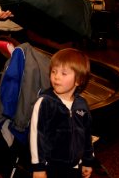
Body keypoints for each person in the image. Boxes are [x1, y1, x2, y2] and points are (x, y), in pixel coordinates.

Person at [30, 48, 95, 178]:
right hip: (51, 168)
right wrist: (38, 168)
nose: (56, 76)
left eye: (64, 73)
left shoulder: (81, 105)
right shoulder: (45, 103)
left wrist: (88, 161)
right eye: (54, 71)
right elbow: (36, 137)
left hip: (75, 167)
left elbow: (86, 136)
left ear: (79, 80)